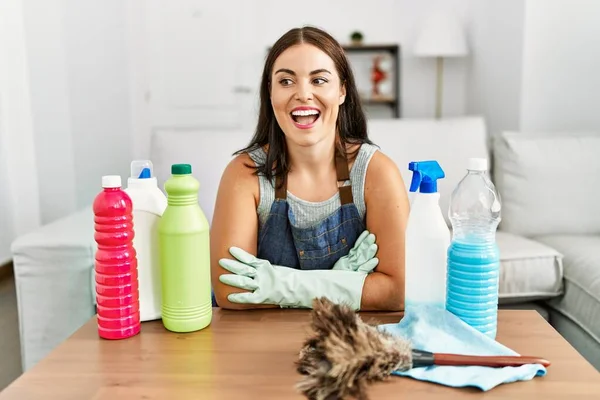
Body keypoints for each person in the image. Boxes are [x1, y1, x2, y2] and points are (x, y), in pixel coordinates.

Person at [210, 26, 409, 311]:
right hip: (260, 343)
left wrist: (283, 287)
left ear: (342, 90)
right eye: (286, 81)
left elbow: (396, 291)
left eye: (318, 80)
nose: (303, 94)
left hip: (348, 342)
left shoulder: (376, 172)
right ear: (270, 92)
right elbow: (231, 289)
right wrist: (345, 285)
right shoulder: (244, 173)